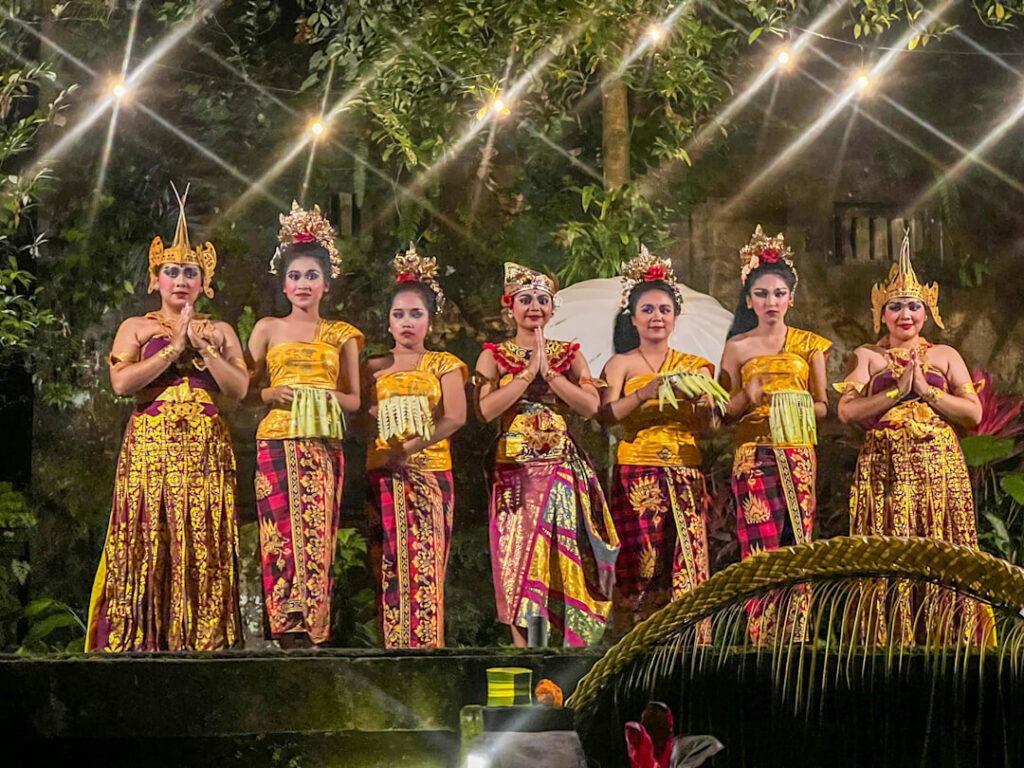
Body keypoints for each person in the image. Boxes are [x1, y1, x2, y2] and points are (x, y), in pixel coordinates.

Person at [86, 184, 248, 652]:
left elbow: (238, 390)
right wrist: (173, 348)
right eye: (171, 271)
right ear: (155, 279)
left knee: (201, 537)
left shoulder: (218, 330)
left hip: (204, 449)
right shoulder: (136, 327)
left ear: (204, 282)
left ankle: (203, 642)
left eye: (190, 272)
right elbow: (122, 384)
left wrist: (201, 348)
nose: (180, 279)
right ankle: (138, 643)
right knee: (147, 536)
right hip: (151, 444)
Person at [837, 232, 995, 646]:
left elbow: (974, 414)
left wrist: (926, 392)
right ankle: (888, 636)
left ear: (928, 311)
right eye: (895, 306)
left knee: (940, 539)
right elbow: (847, 411)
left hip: (938, 463)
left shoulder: (946, 356)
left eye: (913, 306)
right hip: (885, 464)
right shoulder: (867, 357)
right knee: (891, 540)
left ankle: (950, 634)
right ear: (881, 313)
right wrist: (894, 392)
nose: (905, 313)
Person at [475, 262, 619, 647]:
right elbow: (486, 411)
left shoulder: (570, 355)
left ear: (553, 308)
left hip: (560, 470)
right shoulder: (494, 355)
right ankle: (524, 655)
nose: (534, 306)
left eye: (542, 299)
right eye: (525, 299)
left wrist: (551, 375)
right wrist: (526, 374)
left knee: (558, 554)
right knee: (516, 556)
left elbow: (590, 408)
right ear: (510, 307)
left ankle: (563, 653)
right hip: (514, 472)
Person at [247, 202, 363, 647]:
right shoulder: (267, 328)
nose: (302, 284)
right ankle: (283, 629)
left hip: (321, 444)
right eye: (294, 276)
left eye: (311, 276)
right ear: (284, 283)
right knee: (280, 536)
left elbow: (353, 399)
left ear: (326, 284)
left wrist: (322, 394)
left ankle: (315, 629)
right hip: (276, 441)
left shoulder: (342, 335)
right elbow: (243, 388)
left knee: (317, 535)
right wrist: (268, 394)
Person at [599, 246, 721, 638]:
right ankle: (634, 644)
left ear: (675, 317)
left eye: (664, 310)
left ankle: (687, 642)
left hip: (685, 471)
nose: (656, 317)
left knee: (683, 561)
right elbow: (606, 415)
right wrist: (644, 393)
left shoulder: (695, 365)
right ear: (633, 318)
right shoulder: (620, 364)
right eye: (648, 309)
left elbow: (711, 428)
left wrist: (705, 406)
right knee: (640, 564)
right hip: (637, 471)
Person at [719, 226, 830, 644]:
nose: (771, 302)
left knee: (797, 543)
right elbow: (723, 414)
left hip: (798, 451)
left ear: (791, 298)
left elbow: (822, 406)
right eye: (762, 294)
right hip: (754, 454)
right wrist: (748, 396)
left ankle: (798, 636)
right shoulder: (736, 347)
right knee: (760, 544)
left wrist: (790, 402)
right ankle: (762, 635)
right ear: (749, 300)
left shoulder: (809, 345)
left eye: (779, 293)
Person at [363, 244, 467, 648]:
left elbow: (455, 416)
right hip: (383, 474)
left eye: (416, 314)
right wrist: (374, 417)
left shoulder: (443, 364)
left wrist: (411, 445)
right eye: (399, 314)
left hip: (428, 472)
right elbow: (356, 414)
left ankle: (425, 649)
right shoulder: (373, 366)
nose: (407, 323)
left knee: (425, 564)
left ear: (429, 320)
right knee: (387, 562)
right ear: (388, 321)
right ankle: (392, 650)